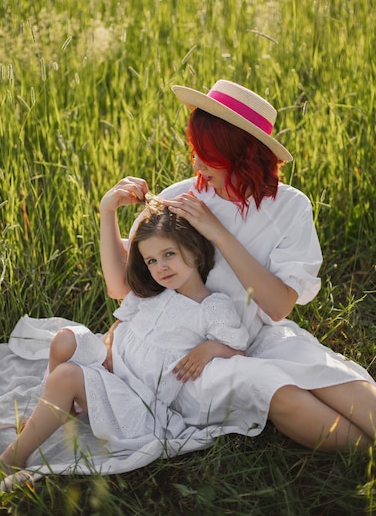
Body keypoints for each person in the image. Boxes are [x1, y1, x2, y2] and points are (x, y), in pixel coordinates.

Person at [99, 79, 376, 452]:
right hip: (196, 348)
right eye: (194, 150)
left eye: (207, 154)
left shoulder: (290, 207)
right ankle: (369, 459)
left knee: (334, 376)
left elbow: (277, 307)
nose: (195, 163)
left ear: (242, 156)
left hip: (256, 334)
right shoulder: (180, 197)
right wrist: (107, 212)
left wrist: (219, 234)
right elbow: (123, 286)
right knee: (282, 392)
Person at [0, 197, 248, 484]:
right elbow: (124, 319)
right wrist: (109, 340)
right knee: (64, 340)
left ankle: (15, 456)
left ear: (195, 253)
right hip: (111, 366)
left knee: (66, 376)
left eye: (169, 254)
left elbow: (238, 351)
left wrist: (209, 348)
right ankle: (56, 410)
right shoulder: (151, 292)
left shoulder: (212, 306)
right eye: (152, 261)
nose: (161, 267)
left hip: (138, 399)